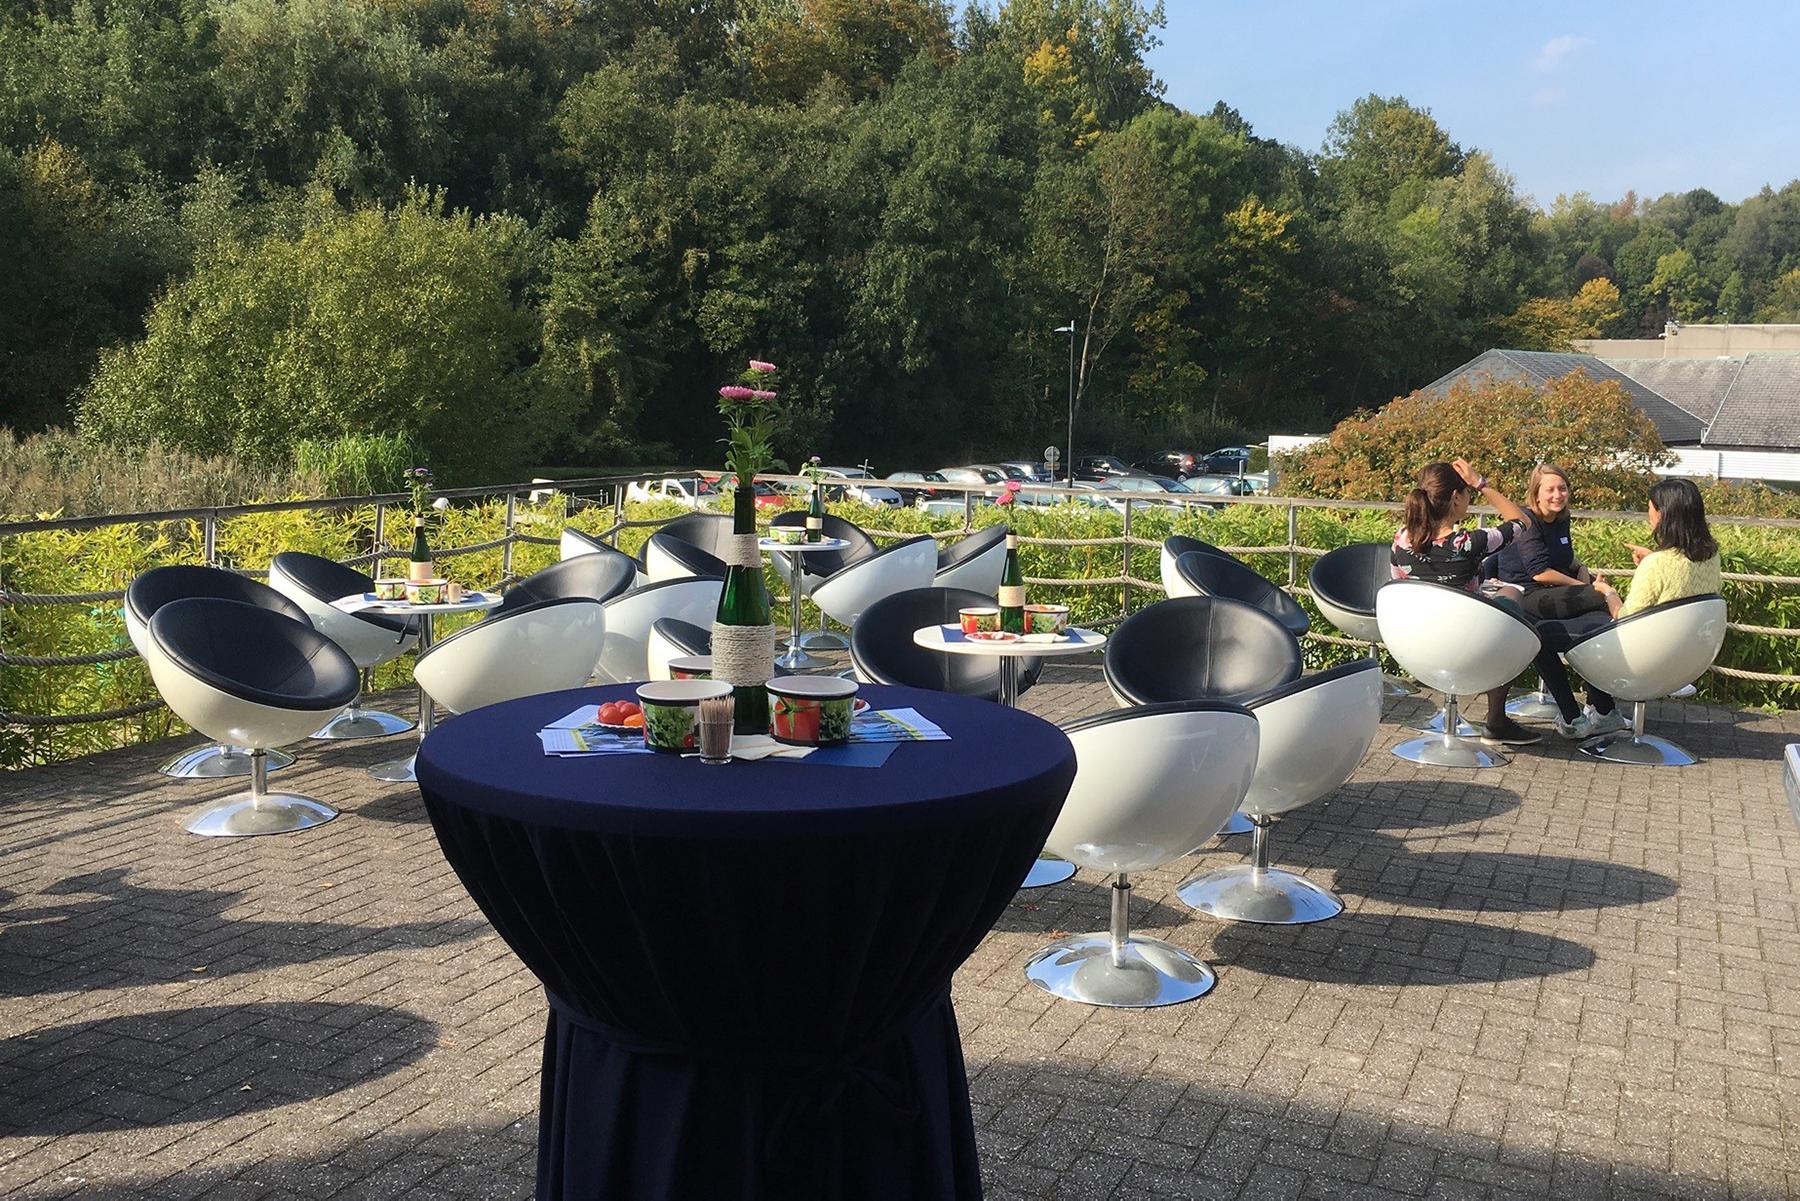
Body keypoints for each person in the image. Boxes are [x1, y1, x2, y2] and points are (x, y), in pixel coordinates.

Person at [1390, 459, 1540, 746]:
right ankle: (1496, 721)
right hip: (1467, 647)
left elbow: (1400, 587)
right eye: (1467, 492)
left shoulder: (1401, 540)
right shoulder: (1469, 543)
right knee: (1511, 599)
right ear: (1456, 498)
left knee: (1498, 599)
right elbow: (1522, 521)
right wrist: (1480, 483)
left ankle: (1458, 719)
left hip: (1418, 645)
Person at [1494, 464, 1628, 740]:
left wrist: (1581, 569)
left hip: (1554, 594)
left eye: (1562, 488)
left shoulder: (1560, 520)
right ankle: (1583, 712)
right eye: (1550, 490)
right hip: (1527, 595)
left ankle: (1600, 711)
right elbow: (1539, 572)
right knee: (1600, 597)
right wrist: (1589, 588)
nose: (1558, 495)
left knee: (1599, 625)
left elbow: (1566, 558)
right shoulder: (1528, 521)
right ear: (1536, 494)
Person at [1607, 477, 1722, 618]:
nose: (1648, 514)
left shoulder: (1655, 564)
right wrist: (1652, 557)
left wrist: (1609, 593)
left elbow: (1625, 616)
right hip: (1700, 631)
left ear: (1661, 513)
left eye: (1649, 508)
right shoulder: (1712, 556)